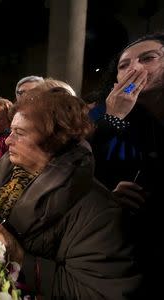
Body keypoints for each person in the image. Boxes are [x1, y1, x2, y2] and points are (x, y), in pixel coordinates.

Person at [0, 88, 140, 299]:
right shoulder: (13, 169)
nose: (8, 141)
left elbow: (96, 292)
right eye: (11, 131)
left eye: (19, 133)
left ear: (53, 139)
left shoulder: (98, 211)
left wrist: (19, 258)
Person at [88, 32, 164, 297]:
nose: (135, 68)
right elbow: (88, 171)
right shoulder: (116, 118)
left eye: (148, 58)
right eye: (124, 65)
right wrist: (115, 116)